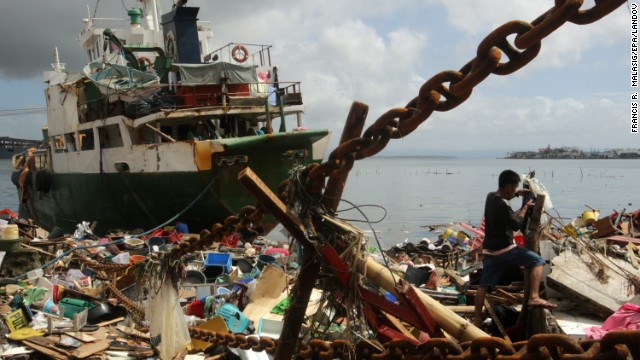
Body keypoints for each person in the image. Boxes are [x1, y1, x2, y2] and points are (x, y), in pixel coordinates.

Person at [472, 169, 556, 328]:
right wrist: (524, 208)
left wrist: (517, 194)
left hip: (489, 250)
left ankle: (476, 318)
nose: (515, 189)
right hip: (505, 249)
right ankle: (534, 296)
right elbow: (516, 224)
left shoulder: (490, 197)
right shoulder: (503, 207)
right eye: (515, 186)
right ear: (509, 185)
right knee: (537, 261)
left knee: (484, 284)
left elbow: (506, 197)